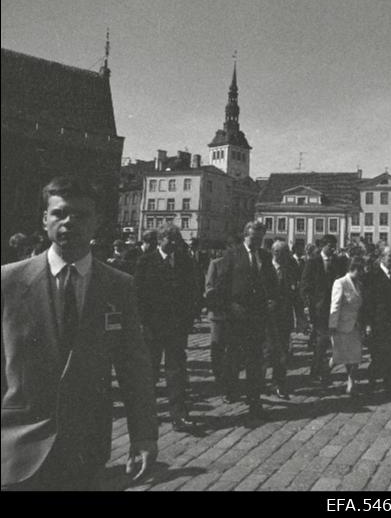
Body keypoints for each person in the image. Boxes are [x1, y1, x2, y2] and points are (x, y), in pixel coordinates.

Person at [2, 176, 157, 490]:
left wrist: (143, 434)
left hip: (85, 447)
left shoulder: (118, 285)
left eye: (81, 215)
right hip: (16, 446)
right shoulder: (9, 282)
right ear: (44, 219)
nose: (69, 222)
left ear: (97, 222)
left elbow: (134, 367)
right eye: (59, 213)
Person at [134, 224, 200, 432]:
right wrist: (143, 323)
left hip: (176, 328)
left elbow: (193, 291)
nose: (173, 244)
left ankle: (179, 415)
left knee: (176, 372)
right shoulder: (146, 262)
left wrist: (189, 318)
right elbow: (138, 295)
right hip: (152, 328)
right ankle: (146, 413)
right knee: (150, 372)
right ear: (160, 240)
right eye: (169, 240)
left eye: (176, 240)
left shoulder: (185, 262)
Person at [218, 221, 276, 418]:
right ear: (245, 236)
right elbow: (222, 284)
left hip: (257, 315)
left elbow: (272, 282)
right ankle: (230, 389)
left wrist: (272, 300)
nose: (256, 243)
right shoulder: (233, 254)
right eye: (253, 239)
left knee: (255, 358)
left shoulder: (265, 256)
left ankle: (254, 399)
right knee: (233, 356)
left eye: (260, 239)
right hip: (236, 313)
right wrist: (228, 308)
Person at [301, 234, 345, 384]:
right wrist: (308, 305)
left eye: (334, 246)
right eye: (330, 246)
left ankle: (320, 371)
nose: (333, 249)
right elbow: (305, 285)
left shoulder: (336, 263)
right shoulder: (313, 262)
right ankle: (316, 372)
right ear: (323, 246)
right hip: (318, 308)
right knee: (323, 339)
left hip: (333, 308)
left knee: (326, 342)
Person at [363, 247, 391, 400]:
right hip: (378, 322)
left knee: (381, 357)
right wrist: (367, 323)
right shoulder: (373, 276)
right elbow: (368, 302)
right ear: (381, 258)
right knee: (386, 357)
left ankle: (372, 382)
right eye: (389, 256)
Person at [264, 240, 298, 399]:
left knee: (283, 353)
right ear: (275, 253)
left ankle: (279, 383)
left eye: (287, 253)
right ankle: (261, 382)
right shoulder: (264, 268)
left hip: (284, 317)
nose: (286, 257)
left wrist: (301, 316)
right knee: (266, 352)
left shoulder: (290, 269)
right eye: (283, 253)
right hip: (267, 318)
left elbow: (295, 294)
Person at [329, 257, 367, 395]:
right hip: (342, 325)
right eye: (361, 270)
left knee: (355, 356)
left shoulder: (359, 284)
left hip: (356, 325)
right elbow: (335, 305)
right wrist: (332, 325)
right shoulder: (340, 283)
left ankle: (351, 382)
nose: (363, 272)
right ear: (354, 268)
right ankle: (325, 372)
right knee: (339, 356)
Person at [204, 255, 228, 385]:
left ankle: (229, 375)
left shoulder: (241, 262)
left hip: (234, 313)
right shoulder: (216, 263)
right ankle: (218, 374)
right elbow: (209, 286)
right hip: (218, 312)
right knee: (217, 344)